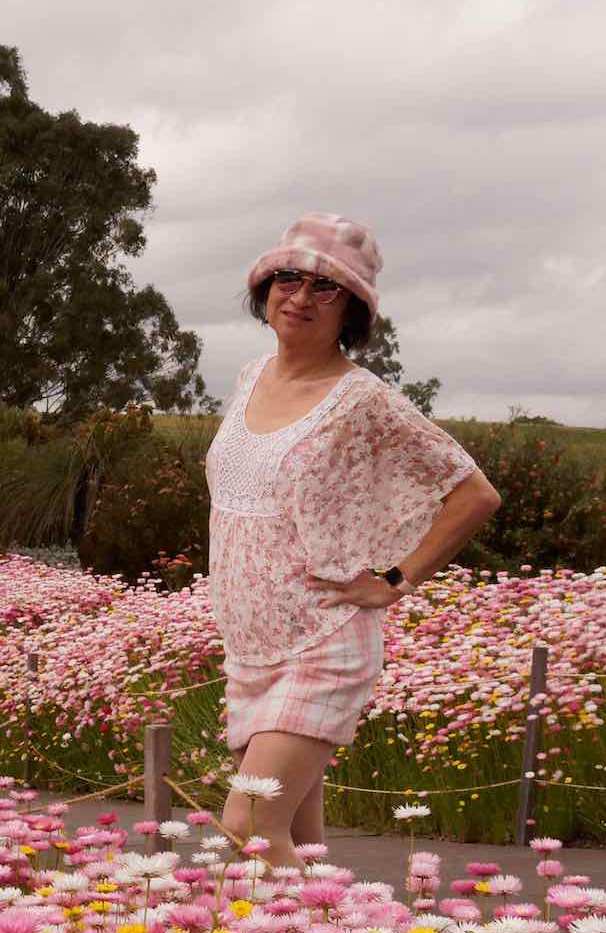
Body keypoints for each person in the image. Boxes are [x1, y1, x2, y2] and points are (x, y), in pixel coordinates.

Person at [205, 214, 503, 871]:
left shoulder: (363, 400)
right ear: (265, 287)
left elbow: (474, 493)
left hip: (322, 640)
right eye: (289, 277)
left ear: (355, 309)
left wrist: (395, 580)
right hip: (250, 647)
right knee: (300, 841)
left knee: (249, 824)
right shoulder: (249, 377)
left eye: (325, 287)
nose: (301, 297)